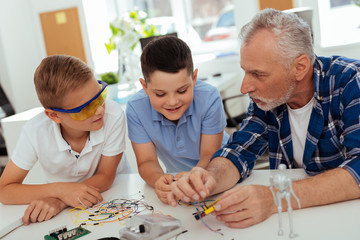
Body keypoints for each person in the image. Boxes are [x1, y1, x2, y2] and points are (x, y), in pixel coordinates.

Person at [168, 8, 360, 228]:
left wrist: (274, 197)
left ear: (299, 67)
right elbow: (240, 150)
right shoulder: (269, 98)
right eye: (245, 71)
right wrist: (210, 179)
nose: (244, 87)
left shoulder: (352, 82)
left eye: (258, 74)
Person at [0, 55, 130, 225]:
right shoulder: (35, 131)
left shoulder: (113, 115)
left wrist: (60, 200)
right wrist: (60, 190)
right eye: (85, 108)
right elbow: (4, 190)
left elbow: (105, 177)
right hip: (68, 213)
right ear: (54, 115)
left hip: (115, 195)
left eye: (100, 96)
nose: (99, 110)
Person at [126, 36, 228, 204]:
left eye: (182, 91)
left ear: (194, 78)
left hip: (220, 173)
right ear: (145, 87)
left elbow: (210, 155)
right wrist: (158, 180)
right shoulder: (136, 109)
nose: (172, 102)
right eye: (160, 94)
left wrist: (193, 177)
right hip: (178, 180)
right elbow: (147, 161)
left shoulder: (209, 97)